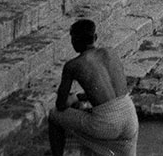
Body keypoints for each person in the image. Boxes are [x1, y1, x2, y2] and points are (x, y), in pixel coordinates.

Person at [47, 19, 139, 156]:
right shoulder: (111, 52)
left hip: (106, 124)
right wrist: (78, 96)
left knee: (54, 116)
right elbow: (110, 93)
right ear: (95, 38)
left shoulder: (73, 65)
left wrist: (73, 98)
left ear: (74, 42)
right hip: (130, 116)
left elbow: (60, 105)